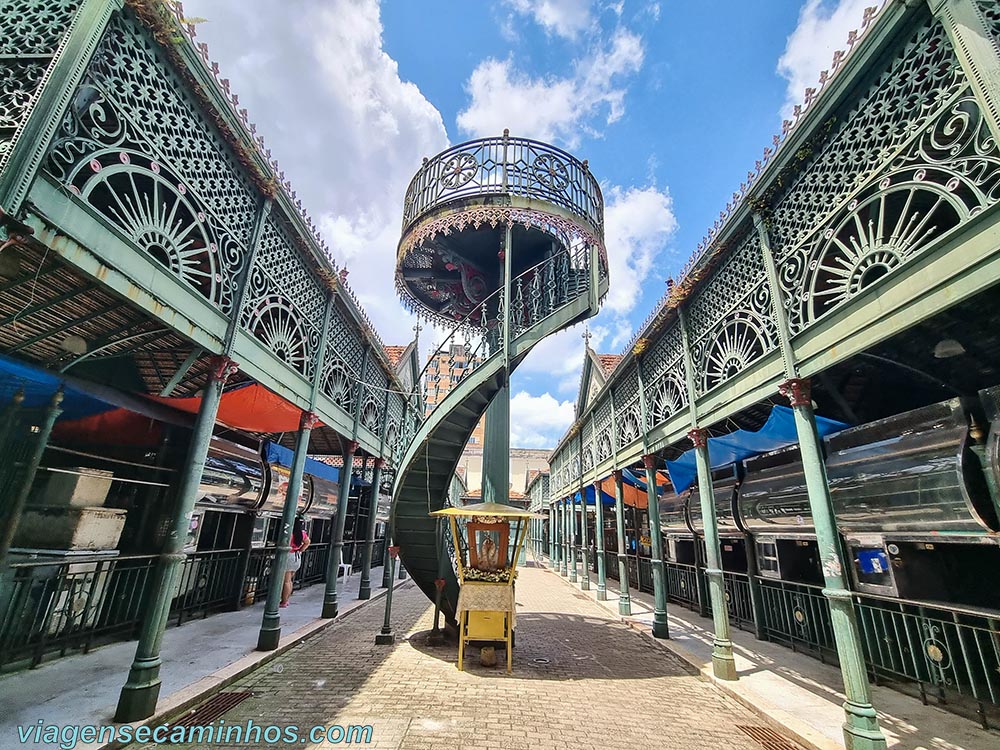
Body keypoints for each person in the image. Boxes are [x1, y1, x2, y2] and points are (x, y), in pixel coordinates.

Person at [281, 515, 310, 608]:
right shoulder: (301, 533)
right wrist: (300, 550)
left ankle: (284, 601)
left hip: (288, 555)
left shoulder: (288, 531)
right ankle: (286, 599)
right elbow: (307, 541)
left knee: (286, 581)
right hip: (296, 556)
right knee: (289, 581)